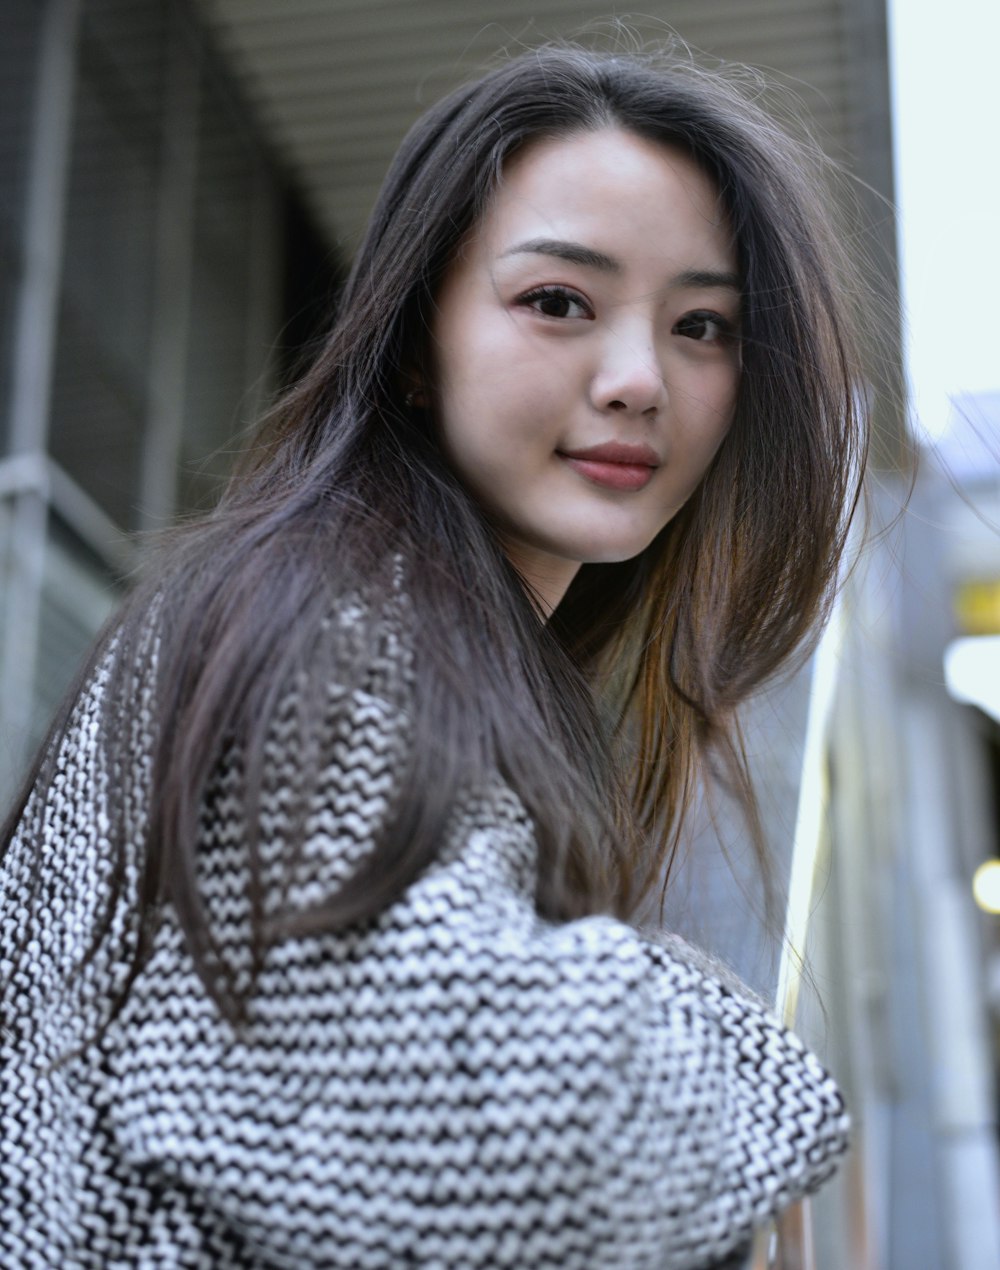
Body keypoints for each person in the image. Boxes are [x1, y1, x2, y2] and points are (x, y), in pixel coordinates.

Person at [1, 42, 868, 1270]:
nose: (637, 380)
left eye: (702, 324)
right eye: (557, 301)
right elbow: (510, 1149)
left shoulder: (384, 615)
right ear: (414, 341)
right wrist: (731, 1035)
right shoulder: (323, 622)